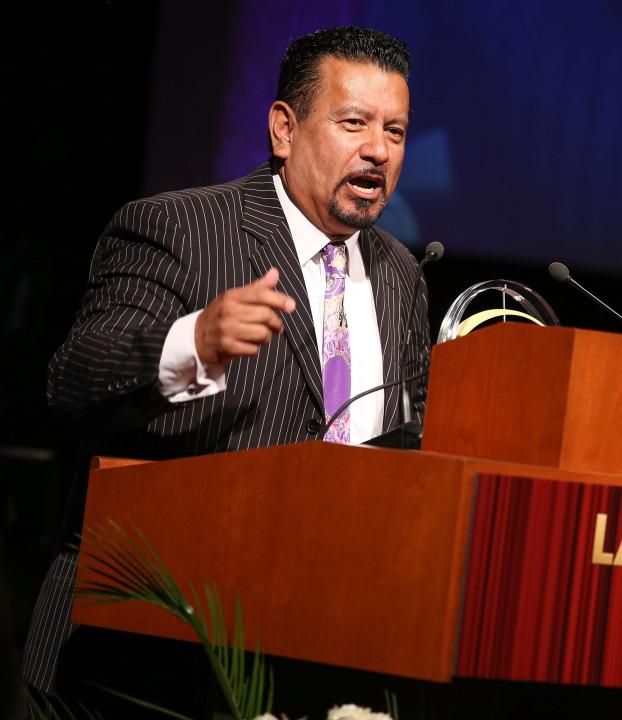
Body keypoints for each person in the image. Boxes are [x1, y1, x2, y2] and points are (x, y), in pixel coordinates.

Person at [19, 25, 430, 711]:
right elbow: (75, 382)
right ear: (283, 129)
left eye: (395, 130)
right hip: (146, 656)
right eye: (354, 123)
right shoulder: (177, 228)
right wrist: (194, 343)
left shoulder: (400, 273)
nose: (378, 150)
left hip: (320, 652)